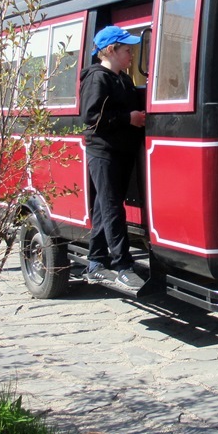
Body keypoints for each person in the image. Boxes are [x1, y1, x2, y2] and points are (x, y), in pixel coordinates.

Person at [79, 25, 146, 290]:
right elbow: (91, 118)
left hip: (120, 151)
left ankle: (95, 262)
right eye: (127, 50)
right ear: (111, 50)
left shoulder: (124, 79)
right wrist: (128, 118)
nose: (131, 55)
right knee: (111, 208)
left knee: (104, 207)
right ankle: (123, 266)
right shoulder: (98, 78)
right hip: (103, 151)